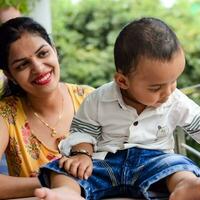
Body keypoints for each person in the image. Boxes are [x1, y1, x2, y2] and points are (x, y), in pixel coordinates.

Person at [35, 17, 200, 200]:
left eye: (173, 81)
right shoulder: (98, 99)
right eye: (156, 88)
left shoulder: (176, 101)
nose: (168, 92)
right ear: (122, 81)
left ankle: (186, 187)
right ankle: (67, 192)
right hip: (105, 162)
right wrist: (81, 154)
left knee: (178, 166)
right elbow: (83, 131)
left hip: (155, 164)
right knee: (61, 168)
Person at [0, 17, 93, 199]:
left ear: (54, 50)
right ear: (10, 75)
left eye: (42, 54)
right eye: (23, 64)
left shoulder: (90, 99)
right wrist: (51, 179)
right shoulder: (5, 114)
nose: (38, 68)